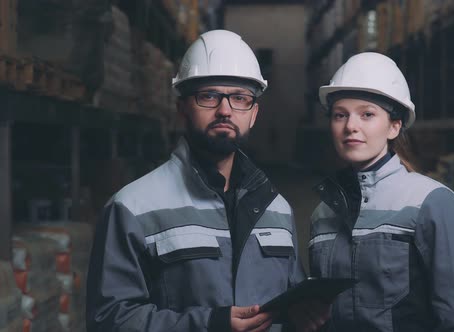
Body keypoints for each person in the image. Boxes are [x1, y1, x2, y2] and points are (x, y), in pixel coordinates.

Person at [86, 29, 315, 332]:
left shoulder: (278, 209)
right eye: (208, 96)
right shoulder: (132, 208)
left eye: (239, 98)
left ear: (254, 113)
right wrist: (209, 324)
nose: (225, 110)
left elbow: (290, 306)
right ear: (182, 108)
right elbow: (109, 320)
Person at [307, 52, 454, 331]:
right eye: (340, 115)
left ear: (394, 126)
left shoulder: (431, 202)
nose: (351, 126)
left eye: (367, 114)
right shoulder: (322, 212)